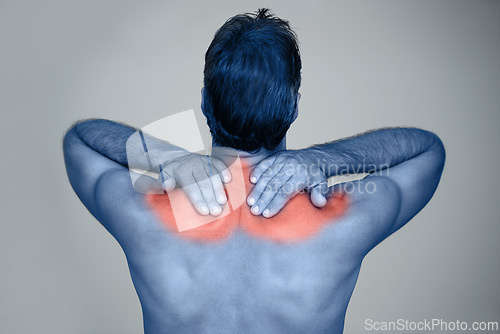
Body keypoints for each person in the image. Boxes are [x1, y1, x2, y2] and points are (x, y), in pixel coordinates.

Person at [63, 8, 445, 333]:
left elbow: (80, 139)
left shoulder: (145, 215)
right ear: (294, 107)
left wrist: (166, 157)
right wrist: (323, 159)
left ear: (204, 102)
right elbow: (427, 150)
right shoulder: (340, 220)